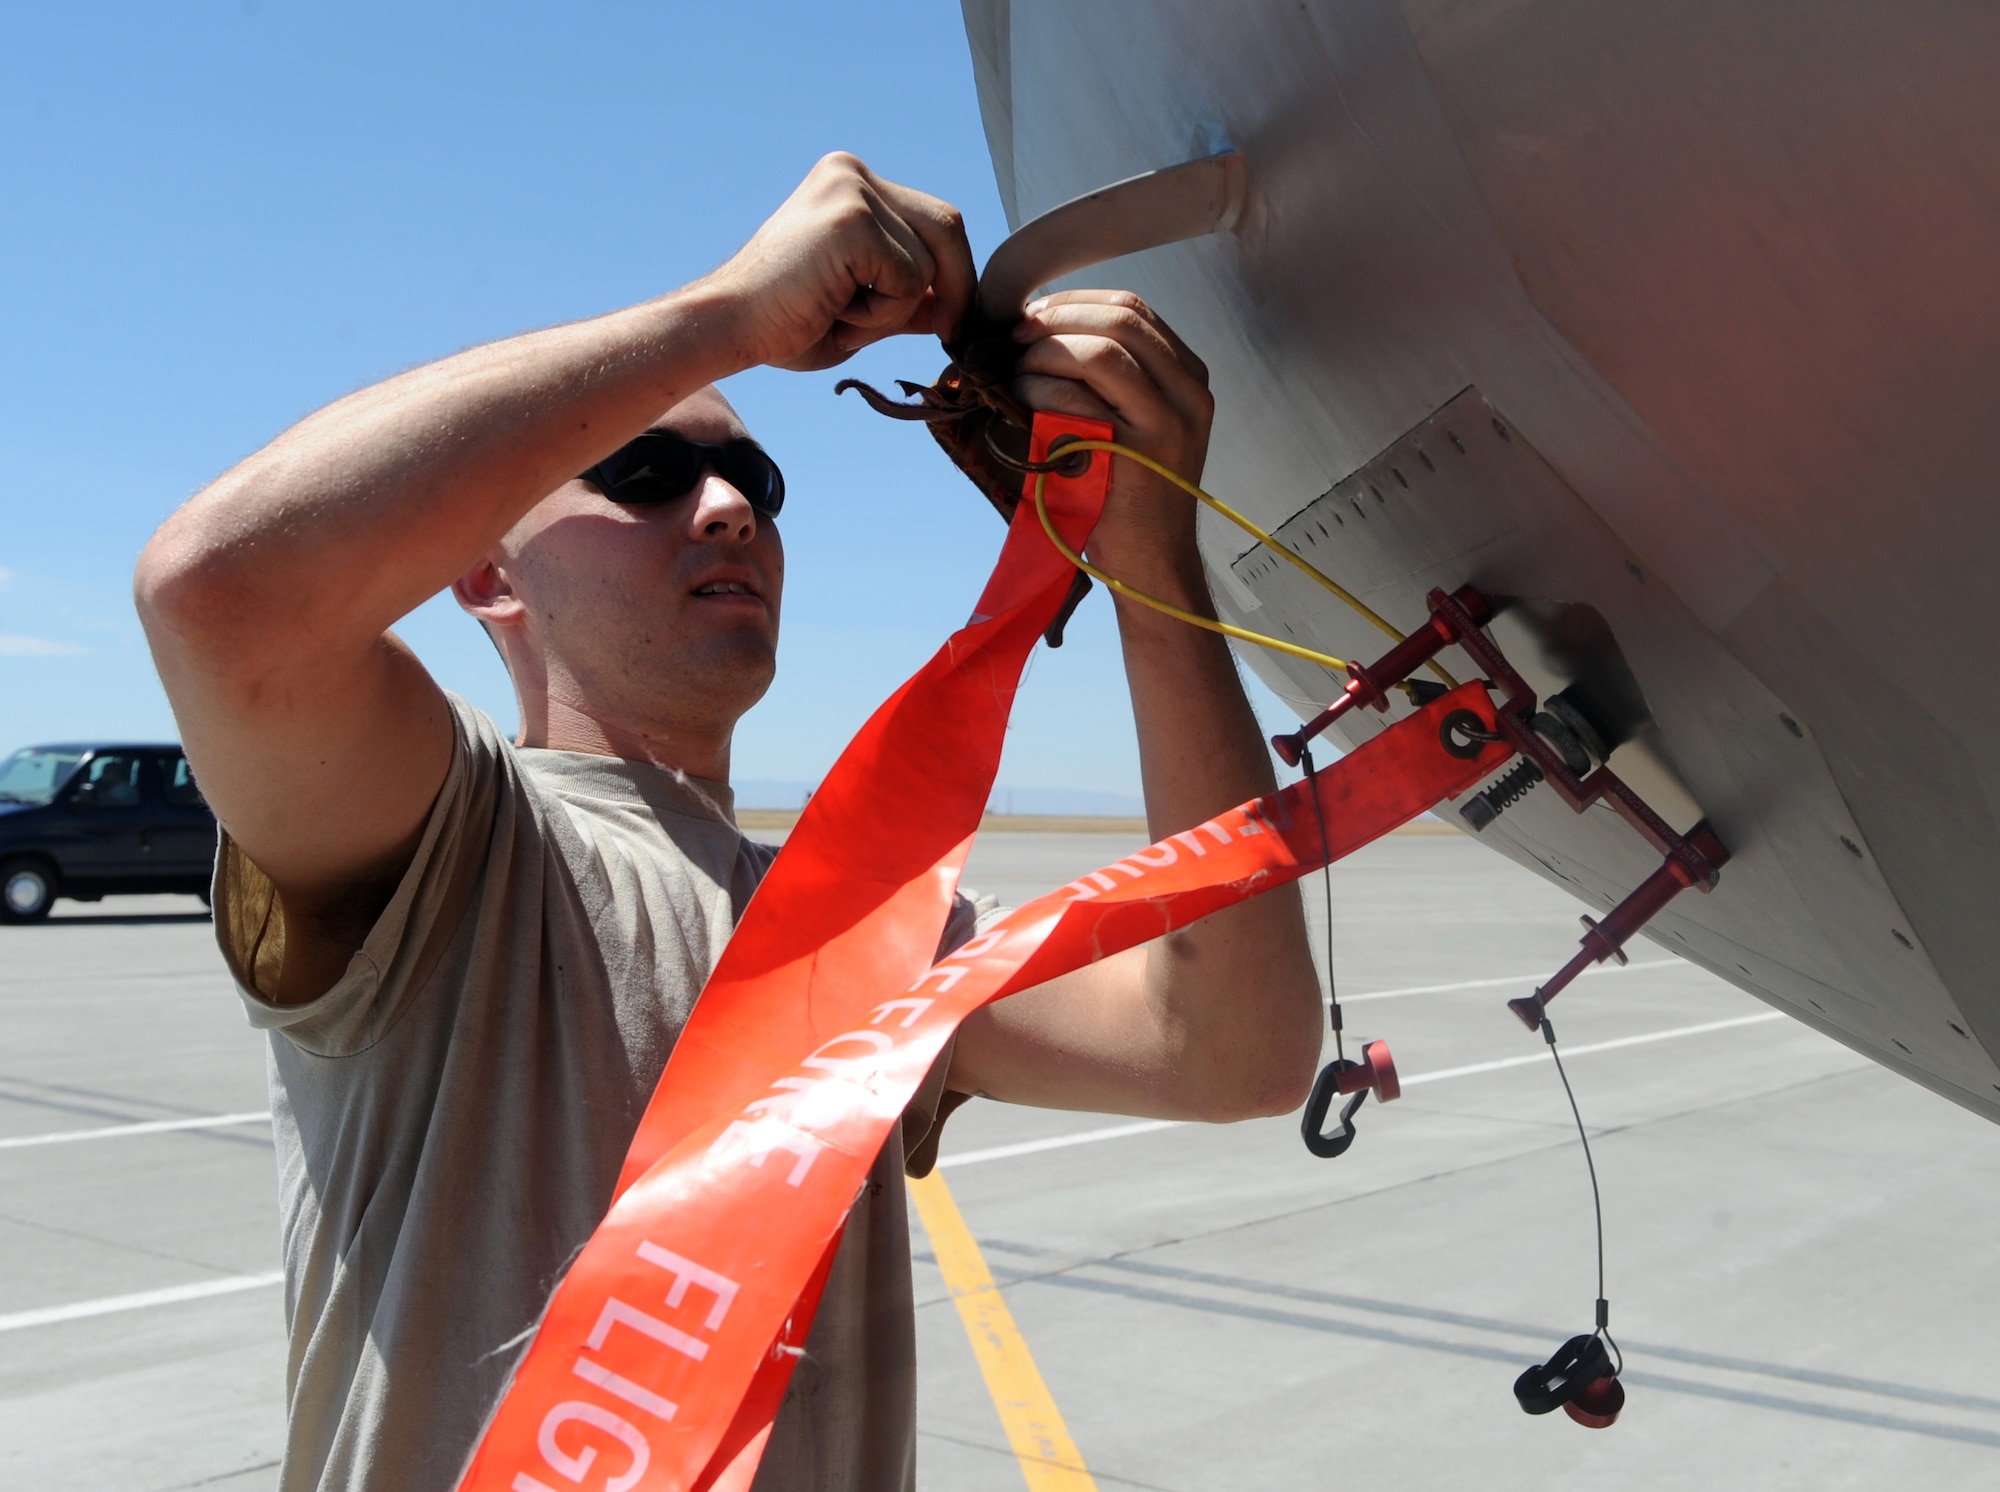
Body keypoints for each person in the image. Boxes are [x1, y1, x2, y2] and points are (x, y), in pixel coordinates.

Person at [135, 153, 1321, 1492]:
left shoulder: (864, 933)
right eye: (644, 471)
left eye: (757, 480)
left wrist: (1151, 560)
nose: (730, 506)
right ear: (485, 572)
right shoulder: (451, 843)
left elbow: (1233, 1054)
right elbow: (218, 597)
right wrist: (728, 317)